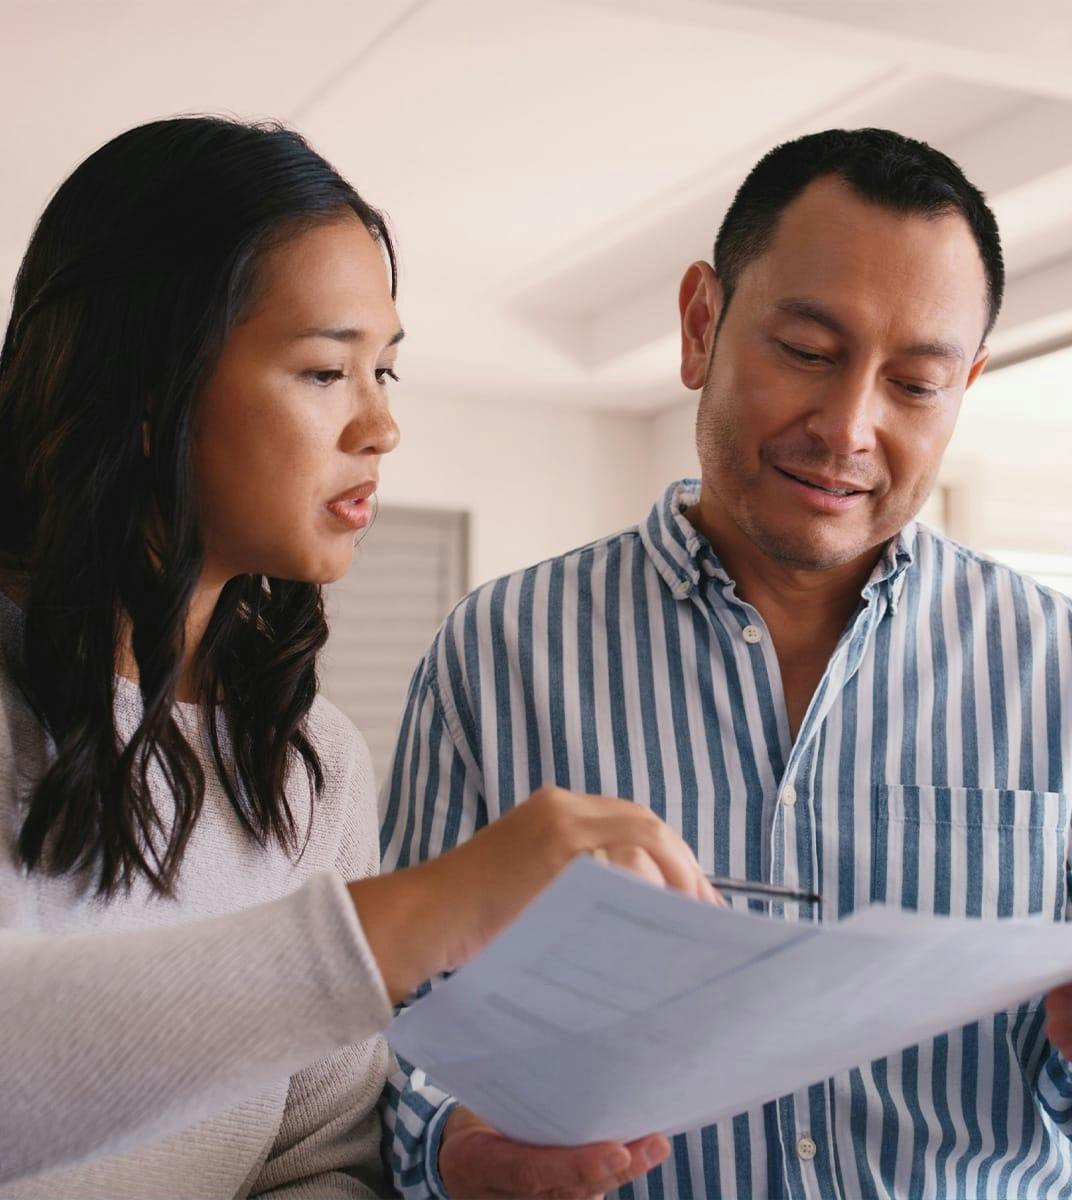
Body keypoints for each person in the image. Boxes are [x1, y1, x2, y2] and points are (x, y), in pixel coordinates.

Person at [0, 116, 716, 1199]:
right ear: (142, 388)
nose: (380, 427)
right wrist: (425, 910)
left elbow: (313, 1162)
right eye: (324, 370)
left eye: (384, 370)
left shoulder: (311, 761)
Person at [381, 127, 1072, 1199]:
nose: (849, 427)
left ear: (965, 386)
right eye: (808, 352)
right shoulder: (501, 652)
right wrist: (451, 1152)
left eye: (915, 384)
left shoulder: (1057, 669)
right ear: (702, 324)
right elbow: (395, 1041)